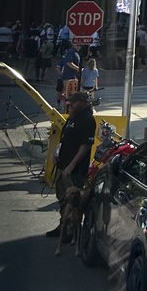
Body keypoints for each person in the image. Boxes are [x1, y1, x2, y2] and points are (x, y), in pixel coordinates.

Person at [46, 91, 96, 237]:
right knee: (63, 198)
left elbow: (84, 146)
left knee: (73, 202)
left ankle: (71, 231)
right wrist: (57, 153)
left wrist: (72, 165)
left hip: (74, 170)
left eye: (74, 103)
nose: (71, 105)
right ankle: (63, 225)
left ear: (83, 102)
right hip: (63, 164)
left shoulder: (87, 120)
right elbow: (64, 138)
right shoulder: (73, 117)